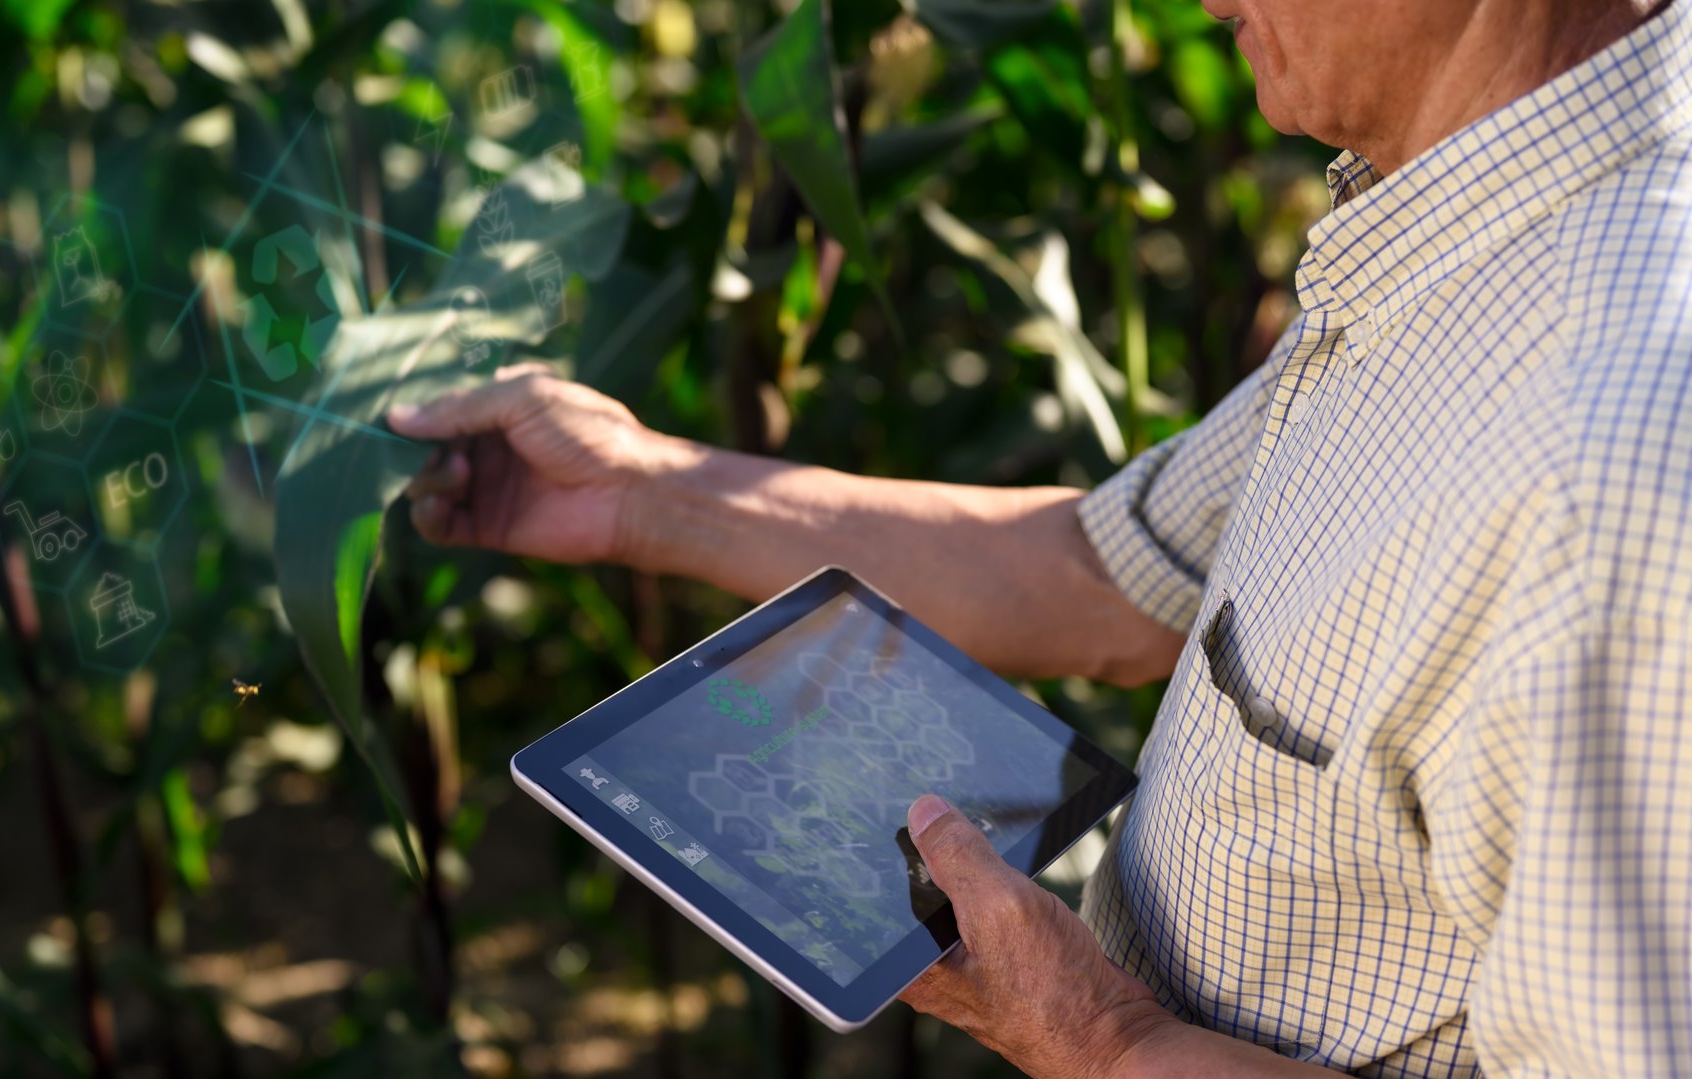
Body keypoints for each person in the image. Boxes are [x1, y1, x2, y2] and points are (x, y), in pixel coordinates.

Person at [388, 0, 1692, 1072]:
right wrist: (638, 490)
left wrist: (1103, 1037)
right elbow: (1101, 578)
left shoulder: (1616, 472)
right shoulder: (1457, 235)